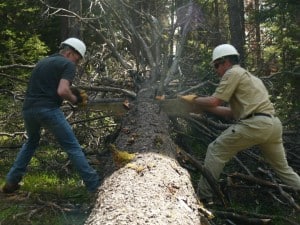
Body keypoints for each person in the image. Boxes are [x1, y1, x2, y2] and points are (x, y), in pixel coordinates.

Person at [180, 44, 300, 203]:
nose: (216, 70)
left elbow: (214, 100)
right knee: (284, 170)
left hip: (255, 124)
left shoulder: (232, 72)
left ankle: (203, 197)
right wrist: (202, 107)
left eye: (217, 65)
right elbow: (231, 113)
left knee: (216, 149)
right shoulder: (252, 79)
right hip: (272, 125)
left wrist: (192, 99)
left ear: (226, 62)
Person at [2, 38, 100, 193]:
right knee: (72, 147)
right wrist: (76, 100)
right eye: (77, 59)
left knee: (31, 142)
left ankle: (11, 181)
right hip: (47, 109)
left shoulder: (44, 62)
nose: (77, 63)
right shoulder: (67, 64)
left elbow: (48, 85)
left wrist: (71, 91)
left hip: (28, 109)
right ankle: (95, 186)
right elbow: (62, 91)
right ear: (69, 53)